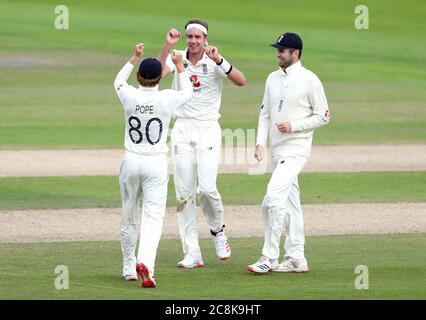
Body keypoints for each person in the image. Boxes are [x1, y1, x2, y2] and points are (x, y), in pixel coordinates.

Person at [157, 19, 246, 268]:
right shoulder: (178, 57)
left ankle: (218, 232)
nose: (193, 41)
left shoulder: (214, 59)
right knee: (184, 194)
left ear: (205, 39)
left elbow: (241, 81)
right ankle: (192, 252)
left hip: (207, 128)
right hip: (182, 128)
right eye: (190, 37)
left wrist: (220, 61)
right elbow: (157, 73)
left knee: (207, 189)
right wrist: (167, 46)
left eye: (198, 37)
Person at [247, 32, 330, 274]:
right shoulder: (272, 78)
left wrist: (294, 126)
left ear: (296, 53)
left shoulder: (309, 80)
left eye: (283, 50)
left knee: (272, 200)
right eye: (278, 49)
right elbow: (265, 113)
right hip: (277, 149)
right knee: (291, 206)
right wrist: (260, 142)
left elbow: (324, 116)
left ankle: (269, 257)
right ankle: (296, 258)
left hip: (296, 149)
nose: (278, 54)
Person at [114, 43, 193, 287]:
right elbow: (189, 92)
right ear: (160, 78)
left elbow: (117, 81)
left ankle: (129, 267)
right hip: (155, 163)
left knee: (128, 213)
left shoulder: (128, 94)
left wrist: (133, 57)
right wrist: (179, 65)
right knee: (153, 217)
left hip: (131, 160)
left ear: (139, 77)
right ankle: (145, 263)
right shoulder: (167, 98)